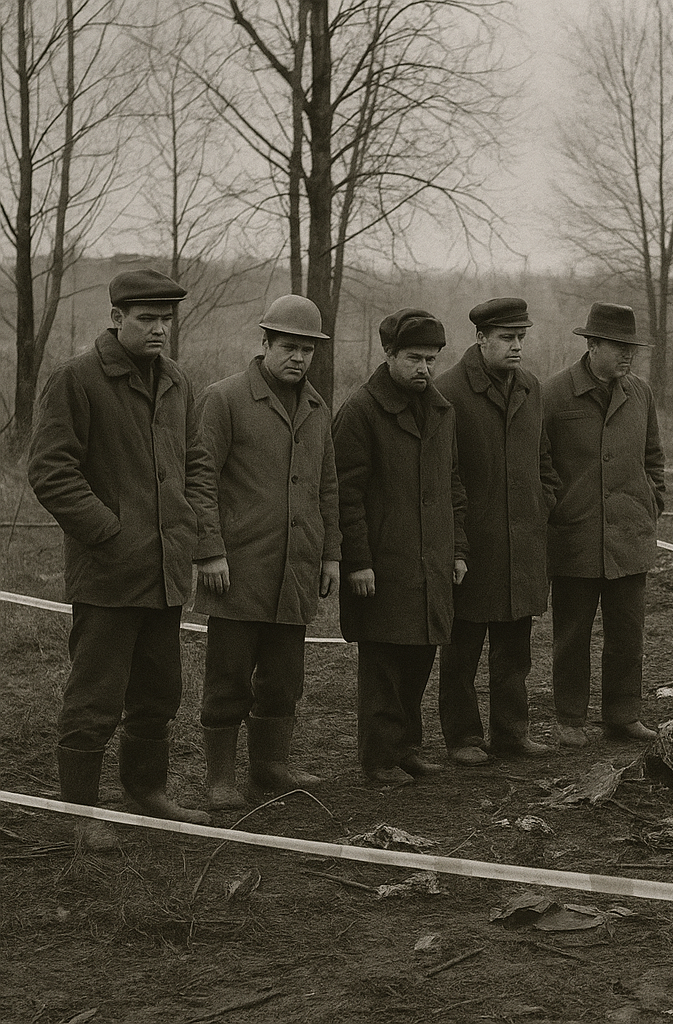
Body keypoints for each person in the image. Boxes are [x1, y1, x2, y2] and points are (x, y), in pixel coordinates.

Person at [28, 269, 215, 849]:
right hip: (108, 574)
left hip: (165, 572)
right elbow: (50, 470)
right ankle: (81, 814)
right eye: (146, 319)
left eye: (166, 320)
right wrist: (109, 532)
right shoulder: (77, 379)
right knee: (95, 698)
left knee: (158, 694)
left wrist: (187, 524)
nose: (159, 329)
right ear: (116, 318)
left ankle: (146, 793)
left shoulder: (177, 381)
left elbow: (196, 462)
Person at [191, 295, 340, 809]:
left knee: (284, 679)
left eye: (307, 349)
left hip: (296, 567)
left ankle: (271, 766)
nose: (298, 358)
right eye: (289, 347)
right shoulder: (224, 399)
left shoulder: (317, 408)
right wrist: (209, 550)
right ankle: (220, 779)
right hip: (237, 569)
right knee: (228, 679)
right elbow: (201, 479)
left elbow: (327, 487)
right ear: (265, 343)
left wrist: (330, 554)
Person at [332, 309, 467, 784]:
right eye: (413, 358)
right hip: (383, 565)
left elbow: (452, 485)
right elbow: (345, 495)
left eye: (431, 359)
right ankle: (379, 758)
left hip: (431, 562)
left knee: (418, 658)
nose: (424, 368)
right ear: (388, 354)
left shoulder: (441, 411)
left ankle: (406, 747)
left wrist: (458, 550)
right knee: (384, 664)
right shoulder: (360, 410)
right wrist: (358, 562)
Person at [434, 298, 559, 765]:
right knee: (461, 651)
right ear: (481, 338)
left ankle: (511, 733)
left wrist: (543, 502)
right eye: (507, 337)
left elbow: (543, 457)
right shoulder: (449, 391)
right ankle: (463, 737)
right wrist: (455, 541)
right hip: (472, 546)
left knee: (514, 651)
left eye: (521, 337)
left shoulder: (530, 387)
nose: (517, 346)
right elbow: (443, 474)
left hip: (522, 545)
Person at [544, 302, 665, 746]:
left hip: (629, 538)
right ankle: (569, 718)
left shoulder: (641, 394)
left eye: (631, 347)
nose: (627, 355)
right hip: (574, 537)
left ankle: (623, 715)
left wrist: (650, 503)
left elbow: (653, 457)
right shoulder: (554, 394)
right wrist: (556, 511)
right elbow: (540, 463)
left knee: (627, 634)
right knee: (572, 634)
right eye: (618, 346)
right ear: (592, 345)